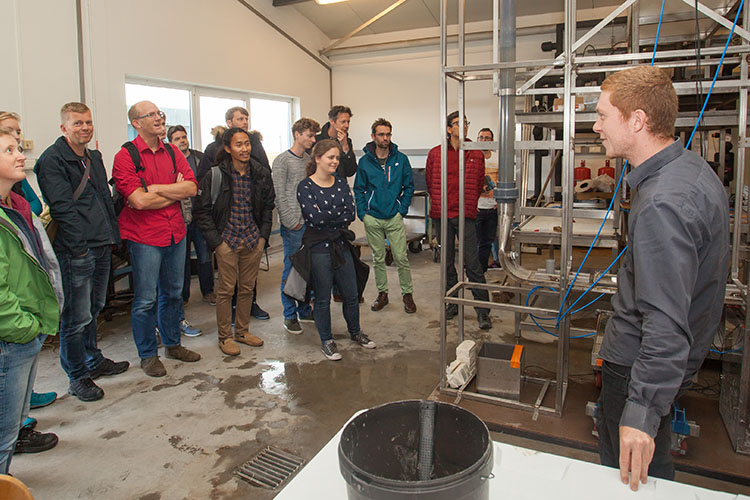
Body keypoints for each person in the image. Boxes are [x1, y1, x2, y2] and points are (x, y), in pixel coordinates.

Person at [592, 65, 729, 491]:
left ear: (636, 120)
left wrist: (642, 411)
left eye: (602, 115)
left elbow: (666, 322)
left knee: (631, 477)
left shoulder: (662, 203)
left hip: (636, 369)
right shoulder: (691, 171)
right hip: (658, 368)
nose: (596, 126)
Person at [35, 102, 129, 401]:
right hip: (76, 250)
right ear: (64, 127)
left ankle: (93, 359)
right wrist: (78, 249)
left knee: (94, 308)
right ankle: (77, 376)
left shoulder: (93, 157)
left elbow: (104, 197)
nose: (85, 127)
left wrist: (113, 237)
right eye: (77, 123)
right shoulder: (52, 160)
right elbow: (62, 209)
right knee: (75, 318)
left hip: (101, 244)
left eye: (88, 122)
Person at [112, 101, 201, 377]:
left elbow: (191, 187)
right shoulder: (126, 156)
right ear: (136, 123)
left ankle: (173, 344)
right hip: (145, 237)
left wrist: (157, 189)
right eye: (150, 115)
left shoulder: (173, 151)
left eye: (159, 113)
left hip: (176, 232)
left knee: (173, 293)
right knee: (146, 299)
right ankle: (148, 355)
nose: (159, 118)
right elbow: (138, 201)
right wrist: (174, 192)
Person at [0, 130, 62, 472]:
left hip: (27, 327)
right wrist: (25, 328)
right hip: (12, 335)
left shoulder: (18, 205)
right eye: (9, 150)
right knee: (3, 435)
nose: (21, 155)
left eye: (17, 147)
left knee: (13, 426)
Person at [193, 128, 274, 356]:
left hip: (252, 239)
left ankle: (242, 331)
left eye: (247, 144)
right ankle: (225, 337)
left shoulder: (260, 173)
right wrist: (217, 243)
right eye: (239, 144)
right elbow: (202, 211)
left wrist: (263, 238)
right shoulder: (215, 175)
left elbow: (268, 207)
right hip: (227, 240)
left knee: (247, 288)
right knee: (226, 290)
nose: (245, 149)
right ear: (228, 148)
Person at [296, 139, 375, 361]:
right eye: (330, 157)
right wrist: (335, 212)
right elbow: (314, 218)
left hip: (340, 245)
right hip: (318, 248)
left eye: (337, 158)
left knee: (351, 293)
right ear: (317, 158)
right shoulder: (305, 186)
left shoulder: (340, 183)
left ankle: (356, 332)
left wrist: (327, 213)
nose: (335, 161)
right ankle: (327, 341)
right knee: (322, 298)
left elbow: (350, 213)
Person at [425, 111, 491, 330]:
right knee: (447, 264)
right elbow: (429, 181)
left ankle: (483, 311)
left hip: (465, 216)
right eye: (458, 123)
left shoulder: (476, 153)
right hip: (442, 215)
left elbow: (479, 181)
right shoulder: (436, 154)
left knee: (472, 264)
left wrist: (469, 203)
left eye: (466, 123)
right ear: (448, 128)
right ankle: (452, 303)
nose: (463, 127)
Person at [354, 118, 416, 314]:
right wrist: (363, 213)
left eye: (388, 134)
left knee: (401, 257)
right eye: (381, 134)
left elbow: (409, 187)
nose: (385, 138)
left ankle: (407, 294)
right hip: (372, 217)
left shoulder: (401, 159)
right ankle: (383, 294)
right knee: (378, 258)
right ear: (373, 136)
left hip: (393, 217)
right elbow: (359, 189)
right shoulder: (364, 162)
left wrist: (401, 209)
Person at [272, 118, 319, 334]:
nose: (313, 140)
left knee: (306, 270)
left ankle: (304, 310)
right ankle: (289, 315)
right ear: (297, 134)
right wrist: (292, 222)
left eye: (314, 136)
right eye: (310, 135)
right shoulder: (282, 161)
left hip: (308, 223)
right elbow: (279, 195)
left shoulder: (308, 160)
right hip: (294, 225)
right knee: (291, 269)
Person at [168, 126, 214, 339]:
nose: (182, 141)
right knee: (182, 260)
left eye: (184, 137)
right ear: (171, 142)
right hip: (180, 217)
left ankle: (208, 291)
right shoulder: (170, 161)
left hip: (200, 214)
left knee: (205, 256)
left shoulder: (199, 157)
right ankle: (183, 296)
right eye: (177, 138)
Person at [0, 112, 42, 216]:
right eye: (9, 150)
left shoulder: (17, 200)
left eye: (18, 132)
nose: (16, 136)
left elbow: (36, 204)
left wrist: (19, 217)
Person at [476, 127, 499, 272]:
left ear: (492, 141)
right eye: (481, 137)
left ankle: (481, 271)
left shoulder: (498, 159)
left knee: (487, 242)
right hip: (476, 208)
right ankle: (474, 270)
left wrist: (499, 202)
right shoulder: (471, 158)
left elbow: (503, 181)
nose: (483, 140)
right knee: (475, 242)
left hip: (492, 207)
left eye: (486, 138)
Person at [315, 105, 357, 178]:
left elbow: (351, 171)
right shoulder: (316, 140)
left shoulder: (347, 141)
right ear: (332, 121)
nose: (347, 125)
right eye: (343, 122)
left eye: (348, 122)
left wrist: (345, 147)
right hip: (320, 183)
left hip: (340, 183)